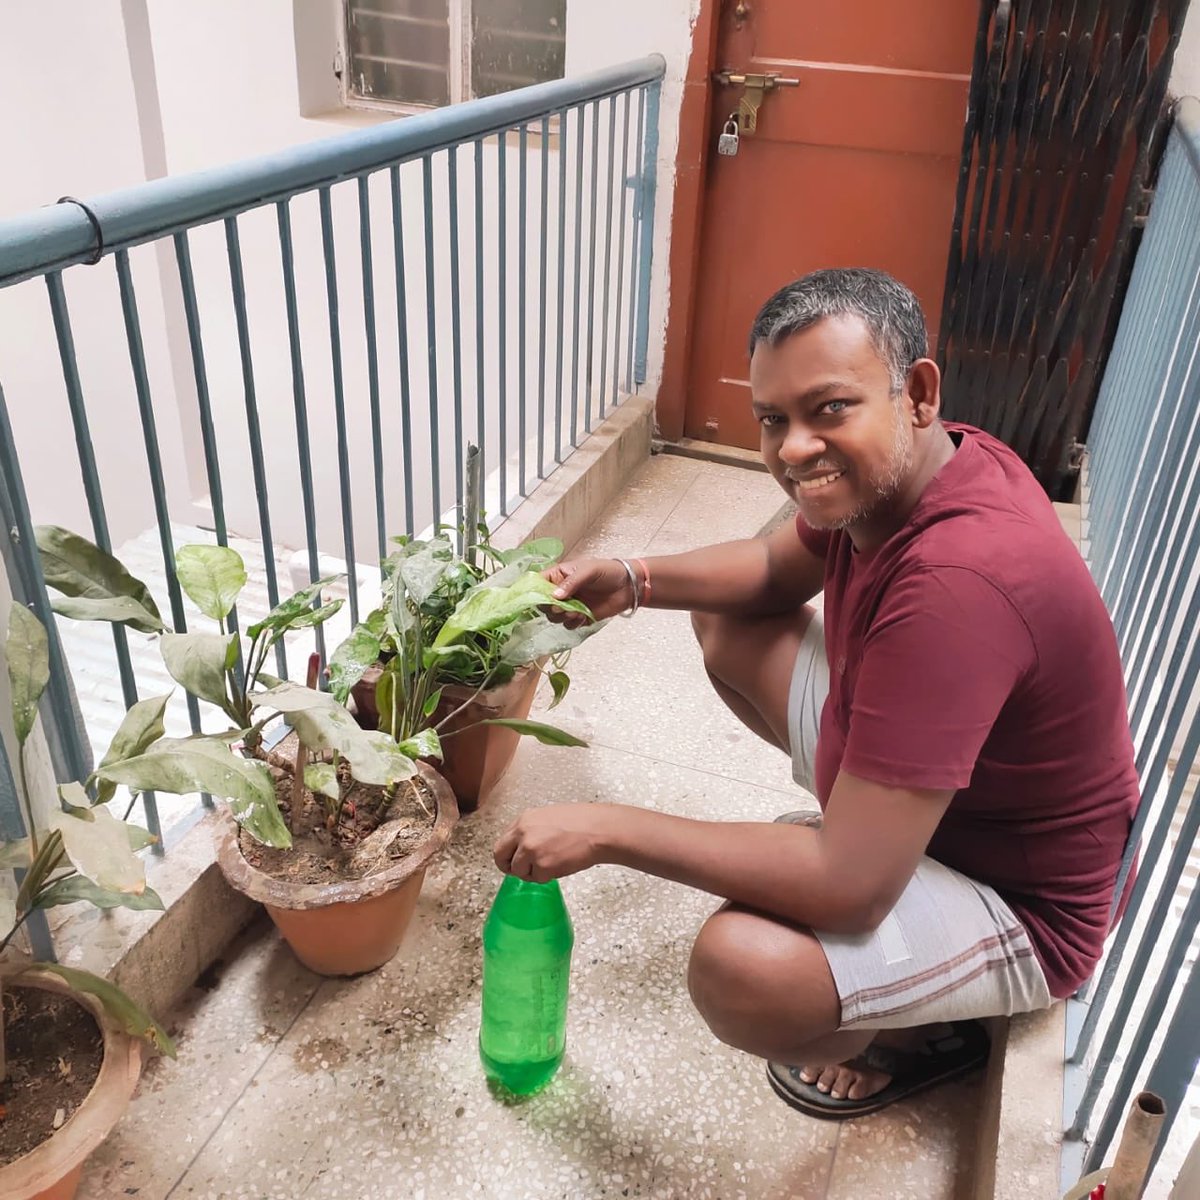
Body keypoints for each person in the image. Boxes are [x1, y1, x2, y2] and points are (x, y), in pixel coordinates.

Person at [492, 268, 1139, 1119]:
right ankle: (873, 822)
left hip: (1020, 898)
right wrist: (632, 578)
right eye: (773, 419)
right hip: (944, 807)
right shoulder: (930, 465)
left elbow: (846, 887)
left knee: (746, 973)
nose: (794, 448)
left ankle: (916, 1039)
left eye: (829, 409)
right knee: (729, 619)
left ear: (915, 392)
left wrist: (606, 830)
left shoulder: (959, 584)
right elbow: (768, 569)